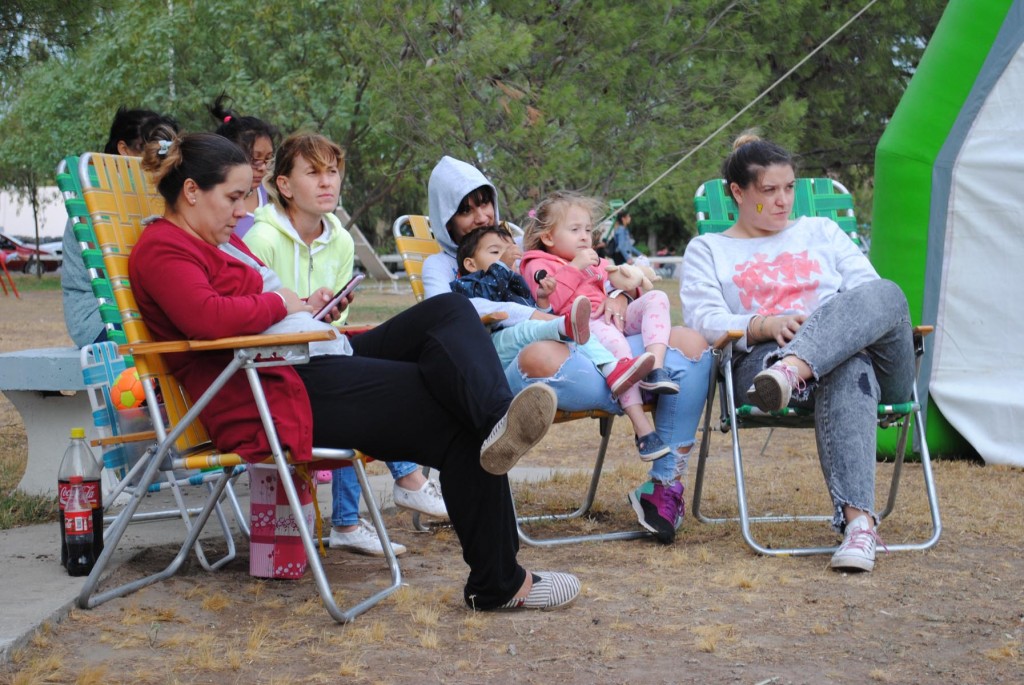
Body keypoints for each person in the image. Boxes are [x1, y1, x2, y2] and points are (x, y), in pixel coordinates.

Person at [131, 132, 578, 609]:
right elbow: (206, 318)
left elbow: (261, 306)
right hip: (276, 388)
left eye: (245, 197)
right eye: (234, 197)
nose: (242, 211)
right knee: (455, 417)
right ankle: (500, 583)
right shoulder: (162, 248)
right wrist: (281, 303)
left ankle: (499, 421)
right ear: (192, 191)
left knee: (449, 311)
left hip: (310, 356)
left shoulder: (221, 244)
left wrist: (305, 306)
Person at [425, 156, 712, 544]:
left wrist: (620, 296)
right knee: (541, 356)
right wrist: (539, 315)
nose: (480, 216)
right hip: (542, 353)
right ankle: (633, 383)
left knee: (691, 345)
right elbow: (448, 312)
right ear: (445, 218)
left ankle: (663, 487)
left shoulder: (516, 246)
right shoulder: (442, 265)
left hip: (597, 339)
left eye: (484, 203)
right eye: (465, 210)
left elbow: (593, 275)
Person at [679, 133, 916, 573]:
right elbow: (703, 319)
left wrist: (825, 330)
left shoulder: (821, 231)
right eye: (769, 190)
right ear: (738, 193)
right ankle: (859, 527)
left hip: (865, 363)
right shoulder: (709, 249)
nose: (783, 200)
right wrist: (763, 324)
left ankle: (797, 368)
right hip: (764, 365)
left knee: (888, 293)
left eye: (789, 187)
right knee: (846, 366)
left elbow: (869, 296)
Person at [244, 132, 448, 558]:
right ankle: (404, 481)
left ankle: (349, 521)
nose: (327, 182)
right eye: (313, 173)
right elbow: (257, 314)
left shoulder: (339, 239)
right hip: (275, 366)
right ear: (284, 185)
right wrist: (308, 311)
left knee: (386, 360)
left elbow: (332, 324)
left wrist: (330, 310)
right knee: (366, 381)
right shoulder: (261, 240)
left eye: (332, 172)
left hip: (320, 351)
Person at [520, 191, 682, 463]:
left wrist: (619, 293)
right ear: (548, 237)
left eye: (587, 229)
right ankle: (643, 430)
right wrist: (574, 267)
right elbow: (553, 304)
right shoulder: (537, 264)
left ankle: (656, 370)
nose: (585, 236)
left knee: (657, 298)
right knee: (617, 345)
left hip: (610, 316)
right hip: (582, 326)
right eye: (575, 230)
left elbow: (621, 281)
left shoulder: (593, 260)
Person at [62, 107, 179, 347]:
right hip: (100, 317)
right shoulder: (95, 199)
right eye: (150, 153)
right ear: (124, 150)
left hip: (141, 309)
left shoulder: (147, 195)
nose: (158, 164)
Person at [451, 223, 616, 369]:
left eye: (510, 251)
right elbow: (483, 297)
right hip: (497, 344)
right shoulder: (467, 284)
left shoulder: (516, 283)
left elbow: (533, 313)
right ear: (471, 264)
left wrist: (543, 301)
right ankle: (563, 327)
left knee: (574, 336)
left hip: (529, 346)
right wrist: (502, 265)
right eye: (495, 252)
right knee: (533, 328)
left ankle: (611, 367)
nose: (507, 256)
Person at [207, 93, 279, 238]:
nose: (262, 168)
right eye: (254, 159)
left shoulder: (271, 193)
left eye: (268, 159)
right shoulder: (212, 203)